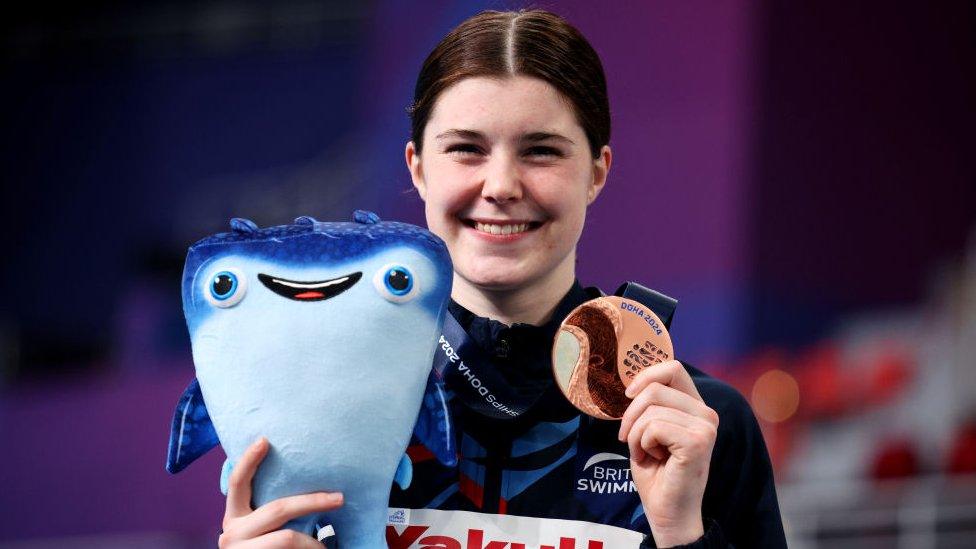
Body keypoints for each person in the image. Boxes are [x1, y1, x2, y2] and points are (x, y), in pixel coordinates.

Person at [216, 9, 787, 549]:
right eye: (466, 148)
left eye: (541, 151)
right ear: (417, 168)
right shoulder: (324, 408)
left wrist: (684, 535)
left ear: (596, 172)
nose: (501, 185)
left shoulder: (696, 425)